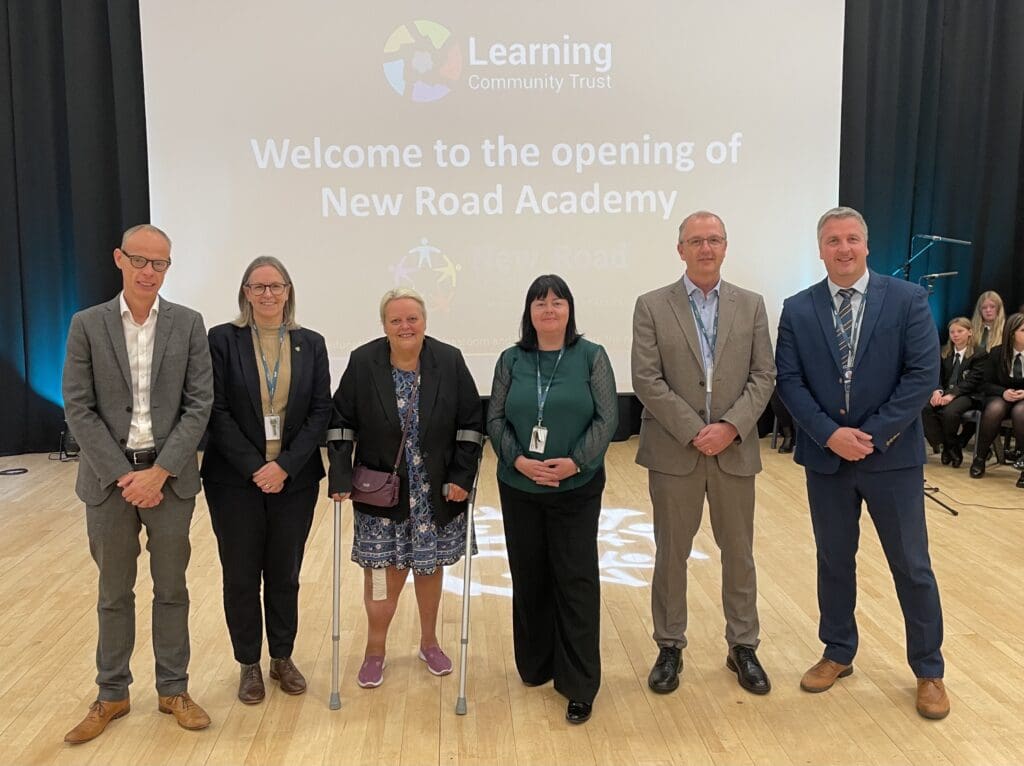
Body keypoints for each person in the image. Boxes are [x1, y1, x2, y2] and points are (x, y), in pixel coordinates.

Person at [775, 206, 949, 720]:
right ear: (820, 249)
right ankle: (837, 652)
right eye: (833, 240)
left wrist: (869, 436)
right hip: (826, 460)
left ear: (867, 246)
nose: (843, 248)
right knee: (833, 560)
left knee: (912, 566)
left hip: (891, 459)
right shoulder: (798, 308)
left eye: (852, 239)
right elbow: (789, 381)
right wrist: (830, 435)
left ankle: (929, 669)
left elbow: (922, 375)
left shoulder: (908, 300)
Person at [61, 224, 214, 743]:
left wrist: (160, 471)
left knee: (172, 589)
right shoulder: (87, 324)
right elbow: (78, 407)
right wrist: (126, 476)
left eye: (161, 263)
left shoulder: (189, 324)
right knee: (113, 592)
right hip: (109, 482)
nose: (150, 271)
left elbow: (199, 404)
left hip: (169, 478)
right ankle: (112, 694)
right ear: (119, 259)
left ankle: (174, 689)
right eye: (141, 261)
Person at [631, 211, 776, 697]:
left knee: (739, 554)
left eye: (714, 239)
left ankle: (743, 646)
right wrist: (697, 431)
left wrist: (731, 427)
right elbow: (646, 380)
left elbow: (764, 376)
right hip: (676, 451)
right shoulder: (652, 305)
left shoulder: (751, 305)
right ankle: (670, 645)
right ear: (680, 250)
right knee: (672, 553)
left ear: (726, 246)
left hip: (734, 450)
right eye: (696, 240)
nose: (705, 248)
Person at [327, 288, 484, 689]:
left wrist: (462, 477)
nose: (405, 326)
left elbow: (470, 422)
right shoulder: (364, 362)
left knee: (428, 571)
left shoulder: (448, 360)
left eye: (412, 318)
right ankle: (374, 650)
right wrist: (341, 474)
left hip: (436, 493)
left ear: (425, 321)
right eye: (395, 320)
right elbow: (341, 420)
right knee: (382, 576)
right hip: (382, 493)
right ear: (384, 326)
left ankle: (429, 642)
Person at [201, 256, 333, 704]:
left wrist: (285, 466)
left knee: (285, 573)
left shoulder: (310, 343)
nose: (268, 295)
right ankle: (247, 665)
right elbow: (214, 410)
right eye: (258, 287)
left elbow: (320, 412)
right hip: (234, 481)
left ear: (289, 291)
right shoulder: (222, 340)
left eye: (276, 286)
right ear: (245, 293)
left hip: (294, 481)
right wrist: (256, 467)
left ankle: (281, 657)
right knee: (240, 576)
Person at [487, 274, 617, 725]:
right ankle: (536, 665)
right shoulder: (511, 360)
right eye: (539, 303)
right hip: (520, 486)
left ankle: (579, 684)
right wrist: (519, 460)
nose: (548, 310)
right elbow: (496, 418)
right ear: (529, 312)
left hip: (575, 488)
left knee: (576, 581)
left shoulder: (591, 357)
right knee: (529, 577)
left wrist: (574, 462)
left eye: (557, 302)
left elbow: (607, 418)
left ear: (569, 310)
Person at [920, 317, 986, 468]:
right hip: (946, 392)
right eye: (952, 332)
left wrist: (952, 395)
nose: (955, 335)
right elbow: (937, 375)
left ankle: (951, 447)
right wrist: (937, 391)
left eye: (960, 331)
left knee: (950, 412)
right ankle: (947, 445)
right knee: (924, 408)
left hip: (968, 394)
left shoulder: (979, 354)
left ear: (970, 332)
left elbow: (972, 381)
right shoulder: (945, 352)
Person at [970, 312, 1024, 487]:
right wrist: (1003, 392)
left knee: (1020, 412)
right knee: (995, 409)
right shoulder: (997, 353)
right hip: (1001, 395)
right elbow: (985, 384)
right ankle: (980, 457)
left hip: (1023, 399)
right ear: (1011, 333)